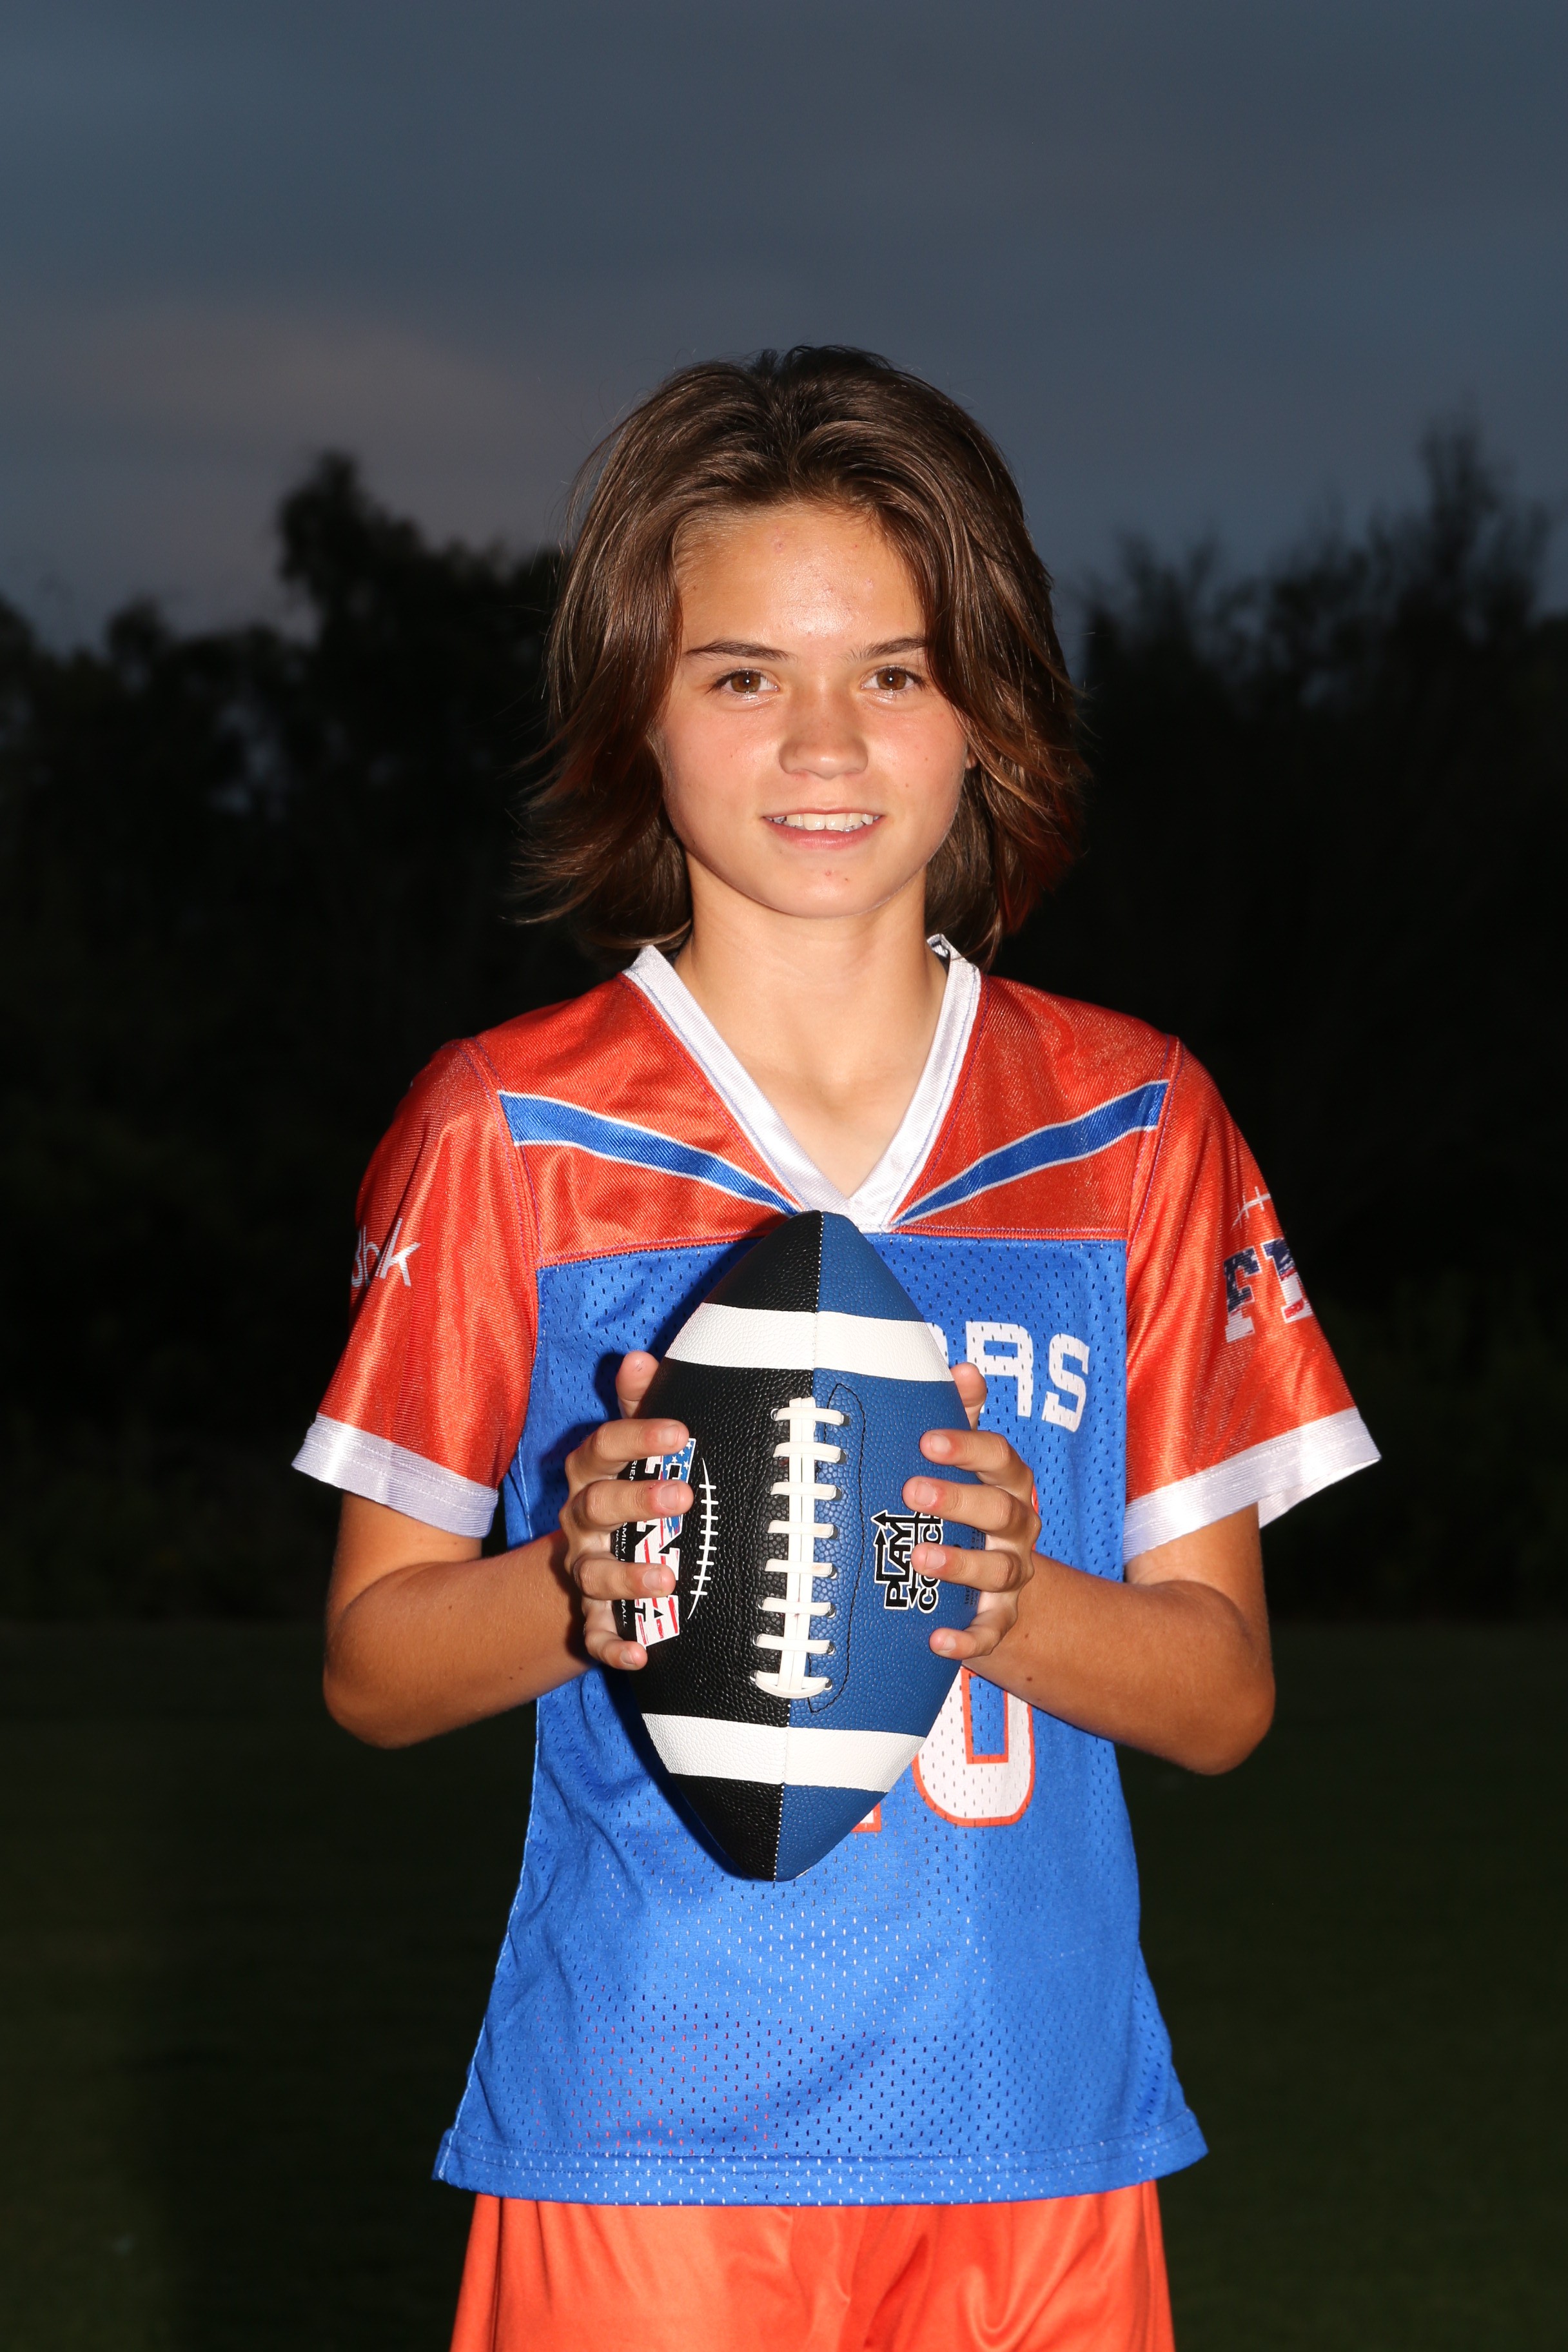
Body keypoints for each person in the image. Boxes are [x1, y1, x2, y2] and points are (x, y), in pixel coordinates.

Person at [294, 347, 1377, 2352]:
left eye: (893, 671)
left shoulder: (1134, 1125)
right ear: (639, 710)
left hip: (1033, 2134)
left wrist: (1007, 1598)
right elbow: (372, 1665)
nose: (823, 741)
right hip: (642, 2133)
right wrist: (578, 1584)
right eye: (742, 675)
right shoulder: (512, 1131)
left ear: (989, 711)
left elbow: (1224, 1697)